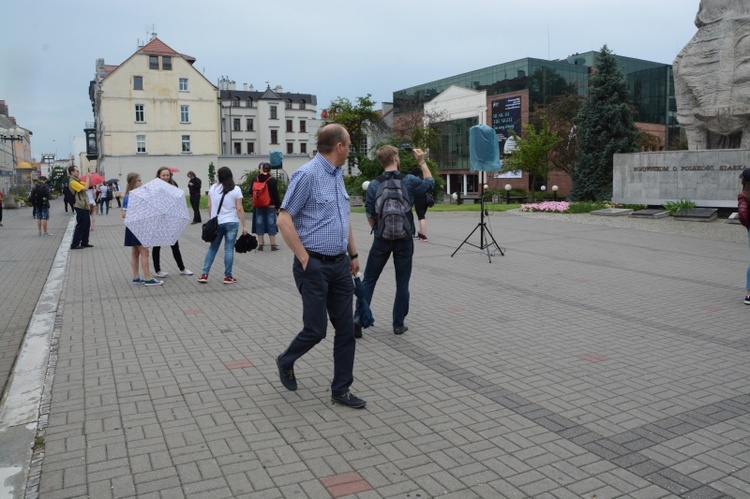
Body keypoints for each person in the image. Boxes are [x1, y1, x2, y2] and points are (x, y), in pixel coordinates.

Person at [275, 124, 365, 409]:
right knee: (316, 330)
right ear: (339, 146)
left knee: (346, 329)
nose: (350, 149)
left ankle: (341, 389)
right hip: (313, 265)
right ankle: (286, 360)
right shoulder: (307, 175)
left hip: (339, 265)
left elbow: (341, 217)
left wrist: (353, 254)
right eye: (349, 144)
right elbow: (283, 219)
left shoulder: (337, 175)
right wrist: (305, 260)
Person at [354, 146, 435, 338]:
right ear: (396, 158)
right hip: (404, 238)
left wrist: (378, 229)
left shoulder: (374, 184)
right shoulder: (408, 180)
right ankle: (398, 324)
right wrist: (422, 161)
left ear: (381, 162)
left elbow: (369, 212)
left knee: (369, 280)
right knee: (402, 282)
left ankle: (358, 318)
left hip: (381, 238)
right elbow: (430, 184)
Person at [198, 166, 247, 284]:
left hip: (217, 222)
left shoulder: (214, 188)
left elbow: (209, 206)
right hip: (232, 222)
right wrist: (244, 225)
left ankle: (204, 274)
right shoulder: (236, 189)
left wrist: (212, 219)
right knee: (229, 249)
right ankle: (228, 276)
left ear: (219, 176)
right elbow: (239, 208)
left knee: (213, 248)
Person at [151, 167, 193, 278]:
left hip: (169, 219)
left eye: (167, 175)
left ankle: (182, 268)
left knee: (174, 244)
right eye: (163, 175)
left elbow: (178, 201)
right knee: (156, 245)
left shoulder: (173, 186)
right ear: (159, 175)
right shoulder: (155, 187)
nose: (165, 177)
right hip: (158, 219)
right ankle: (158, 270)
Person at [122, 172, 163, 286]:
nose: (141, 183)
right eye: (139, 181)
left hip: (135, 226)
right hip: (136, 227)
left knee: (135, 252)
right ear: (133, 182)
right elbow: (124, 213)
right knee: (145, 251)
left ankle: (136, 277)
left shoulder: (135, 195)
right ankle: (148, 278)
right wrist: (139, 212)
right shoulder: (131, 196)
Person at [252, 162, 281, 251]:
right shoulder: (272, 180)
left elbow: (250, 191)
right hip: (270, 205)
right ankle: (272, 245)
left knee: (259, 223)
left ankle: (260, 244)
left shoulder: (256, 179)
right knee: (271, 224)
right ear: (270, 170)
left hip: (259, 205)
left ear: (261, 169)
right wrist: (278, 206)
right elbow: (276, 195)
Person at [68, 165, 93, 249]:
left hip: (84, 205)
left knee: (87, 224)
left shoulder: (77, 181)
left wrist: (89, 177)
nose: (78, 172)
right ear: (72, 172)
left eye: (78, 171)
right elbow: (85, 188)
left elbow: (88, 185)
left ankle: (85, 242)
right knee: (81, 225)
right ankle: (74, 244)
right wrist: (88, 177)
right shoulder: (72, 182)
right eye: (77, 171)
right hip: (79, 205)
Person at [738, 168, 750, 305]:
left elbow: (742, 214)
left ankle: (749, 294)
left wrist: (748, 225)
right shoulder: (745, 196)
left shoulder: (744, 195)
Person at [410, 166, 431, 242]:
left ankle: (423, 236)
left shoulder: (415, 182)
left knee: (421, 217)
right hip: (426, 200)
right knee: (421, 217)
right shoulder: (424, 181)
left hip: (419, 200)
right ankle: (420, 233)